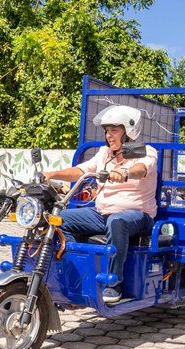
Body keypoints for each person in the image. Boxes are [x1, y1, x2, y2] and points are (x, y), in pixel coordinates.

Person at [44, 105, 158, 304]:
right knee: (57, 219)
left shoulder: (145, 151)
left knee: (117, 221)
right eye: (106, 131)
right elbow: (81, 170)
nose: (109, 136)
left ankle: (114, 284)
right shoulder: (105, 153)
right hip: (102, 214)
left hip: (138, 216)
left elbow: (141, 169)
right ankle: (77, 275)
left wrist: (126, 173)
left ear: (128, 131)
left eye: (114, 130)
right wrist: (51, 174)